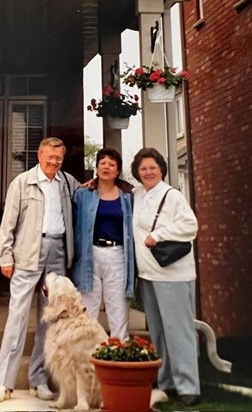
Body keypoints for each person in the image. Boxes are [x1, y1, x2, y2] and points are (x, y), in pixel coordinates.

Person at [0, 137, 80, 402]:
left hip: (57, 253)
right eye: (50, 157)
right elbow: (8, 224)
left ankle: (38, 380)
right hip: (27, 254)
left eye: (58, 158)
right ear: (39, 155)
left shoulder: (67, 183)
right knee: (16, 318)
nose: (54, 162)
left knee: (48, 321)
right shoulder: (22, 182)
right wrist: (5, 256)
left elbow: (87, 194)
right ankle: (3, 383)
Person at [131, 147, 200, 407]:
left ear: (161, 169)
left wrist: (159, 235)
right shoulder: (138, 194)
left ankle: (188, 386)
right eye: (143, 168)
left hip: (173, 275)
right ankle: (166, 380)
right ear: (137, 172)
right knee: (158, 332)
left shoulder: (172, 195)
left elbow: (190, 225)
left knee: (178, 331)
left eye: (152, 167)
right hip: (148, 275)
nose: (148, 172)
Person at [71, 148, 134, 341]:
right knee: (87, 310)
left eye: (112, 164)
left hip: (117, 255)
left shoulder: (128, 196)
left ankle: (119, 357)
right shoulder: (83, 194)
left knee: (118, 309)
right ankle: (88, 359)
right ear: (96, 167)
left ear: (117, 171)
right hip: (89, 255)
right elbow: (73, 224)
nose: (106, 167)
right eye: (103, 163)